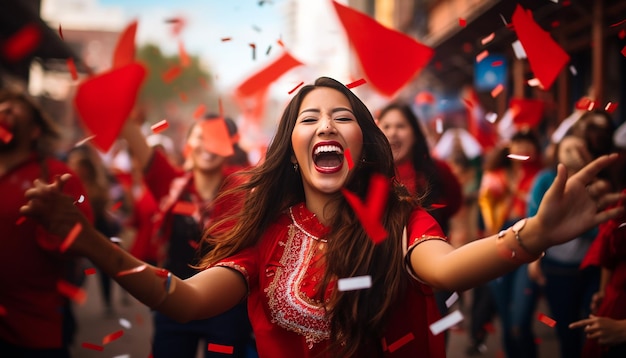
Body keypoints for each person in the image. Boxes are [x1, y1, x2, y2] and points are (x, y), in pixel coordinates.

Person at [19, 77, 625, 358]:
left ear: (362, 144)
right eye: (310, 118)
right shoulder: (264, 234)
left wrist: (534, 235)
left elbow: (444, 271)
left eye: (343, 117)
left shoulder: (399, 219)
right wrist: (89, 241)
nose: (326, 126)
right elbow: (182, 300)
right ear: (292, 144)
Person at [120, 112, 254, 357]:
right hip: (173, 305)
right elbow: (130, 132)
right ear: (189, 143)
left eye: (216, 138)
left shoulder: (246, 189)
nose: (208, 145)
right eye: (201, 137)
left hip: (227, 311)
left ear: (230, 147)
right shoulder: (170, 183)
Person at [0, 89, 93, 357]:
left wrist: (55, 227)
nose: (4, 112)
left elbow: (81, 241)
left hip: (35, 330)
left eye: (13, 111)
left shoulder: (56, 176)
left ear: (34, 132)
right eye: (1, 106)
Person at [376, 101, 462, 345]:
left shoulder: (439, 171)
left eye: (401, 126)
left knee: (435, 337)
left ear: (414, 132)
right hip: (385, 278)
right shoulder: (367, 174)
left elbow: (454, 205)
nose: (393, 132)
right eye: (387, 126)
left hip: (434, 274)